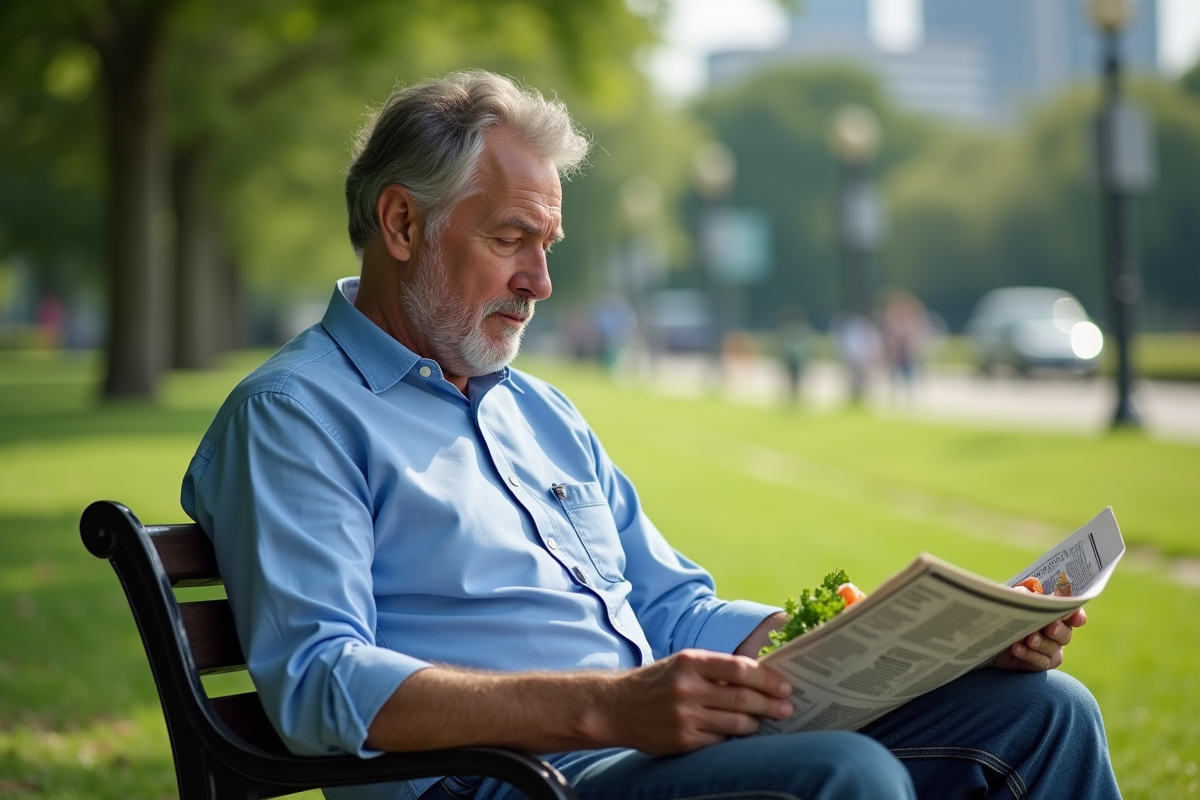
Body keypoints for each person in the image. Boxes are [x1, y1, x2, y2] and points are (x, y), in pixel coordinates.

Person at [181, 71, 1120, 800]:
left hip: (639, 755)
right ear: (400, 222)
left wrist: (884, 640)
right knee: (844, 779)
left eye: (548, 246)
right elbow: (317, 682)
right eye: (512, 240)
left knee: (1041, 714)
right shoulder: (297, 415)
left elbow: (671, 609)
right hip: (507, 780)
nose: (540, 282)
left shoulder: (539, 413)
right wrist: (604, 706)